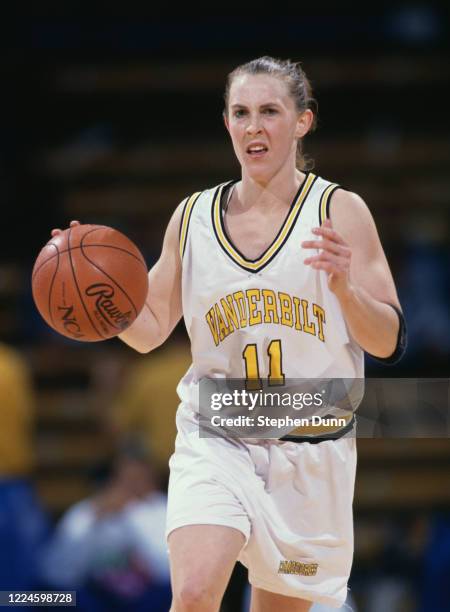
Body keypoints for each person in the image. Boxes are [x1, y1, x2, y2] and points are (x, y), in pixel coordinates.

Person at [52, 56, 406, 611]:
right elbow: (147, 332)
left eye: (270, 111)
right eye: (241, 112)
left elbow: (387, 339)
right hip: (217, 434)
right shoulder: (191, 216)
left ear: (302, 121)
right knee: (193, 594)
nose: (254, 126)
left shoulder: (340, 210)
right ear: (226, 123)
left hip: (312, 449)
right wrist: (98, 296)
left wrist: (344, 290)